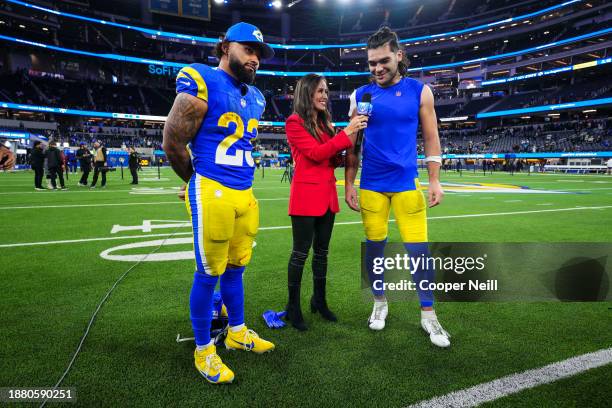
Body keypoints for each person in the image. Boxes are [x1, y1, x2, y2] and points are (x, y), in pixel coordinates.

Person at [162, 22, 276, 384]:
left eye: (259, 53)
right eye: (248, 49)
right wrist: (197, 182)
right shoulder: (201, 79)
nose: (255, 58)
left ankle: (237, 331)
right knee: (208, 272)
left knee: (237, 266)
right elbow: (172, 142)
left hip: (244, 192)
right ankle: (203, 350)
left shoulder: (256, 97)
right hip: (213, 189)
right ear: (225, 47)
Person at [345, 27, 450, 347]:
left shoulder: (421, 92)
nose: (377, 68)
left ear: (399, 56)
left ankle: (429, 316)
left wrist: (434, 179)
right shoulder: (360, 94)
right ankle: (380, 304)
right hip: (372, 185)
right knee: (375, 248)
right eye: (371, 63)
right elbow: (353, 143)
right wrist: (349, 184)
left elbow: (432, 137)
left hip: (406, 183)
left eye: (383, 61)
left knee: (419, 252)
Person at [284, 73, 368, 331]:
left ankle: (318, 300)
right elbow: (314, 154)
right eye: (319, 91)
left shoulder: (325, 124)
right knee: (300, 254)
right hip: (305, 197)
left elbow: (330, 159)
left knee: (322, 253)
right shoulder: (294, 122)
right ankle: (293, 307)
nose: (324, 95)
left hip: (327, 197)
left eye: (326, 91)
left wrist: (351, 148)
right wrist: (347, 132)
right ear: (306, 93)